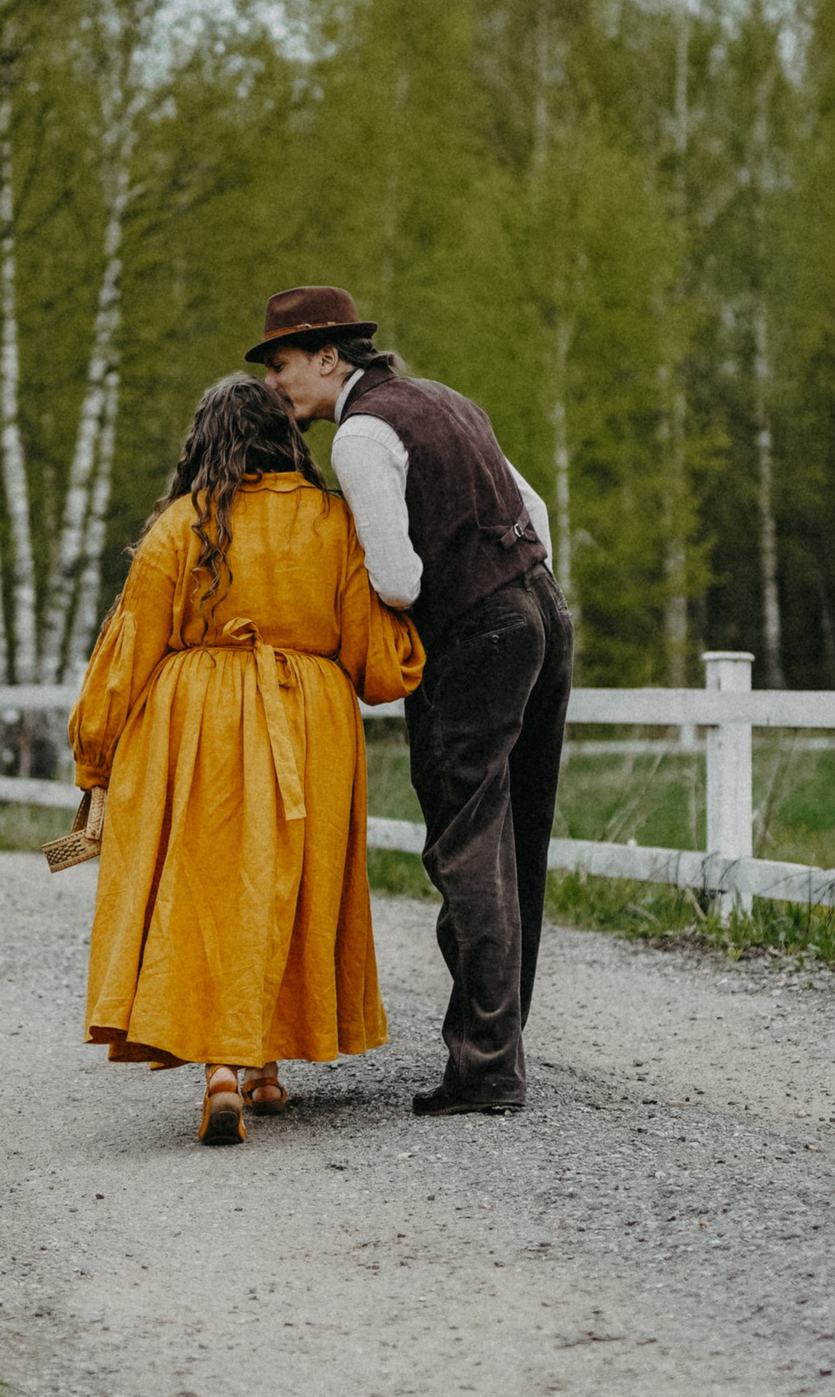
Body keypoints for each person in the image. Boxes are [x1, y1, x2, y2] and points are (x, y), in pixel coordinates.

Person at [69, 374, 424, 1146]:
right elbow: (377, 666)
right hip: (310, 723)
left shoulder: (179, 526)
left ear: (203, 442)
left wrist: (95, 761)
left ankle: (222, 1069)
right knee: (286, 888)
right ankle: (261, 1067)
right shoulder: (333, 522)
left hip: (197, 727)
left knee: (212, 890)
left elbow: (127, 654)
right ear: (285, 439)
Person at [253, 286, 572, 1117]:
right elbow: (533, 508)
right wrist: (521, 595)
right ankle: (499, 1041)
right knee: (520, 832)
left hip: (474, 633)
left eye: (282, 365)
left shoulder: (361, 434)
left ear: (330, 356)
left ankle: (487, 1066)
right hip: (538, 604)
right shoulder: (445, 400)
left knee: (466, 841)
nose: (277, 384)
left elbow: (397, 578)